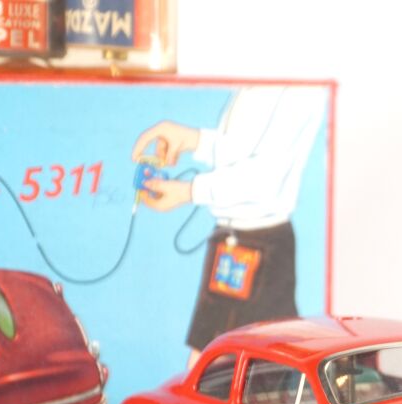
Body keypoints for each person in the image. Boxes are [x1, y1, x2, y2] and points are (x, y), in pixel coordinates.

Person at [132, 85, 327, 367]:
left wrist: (189, 191)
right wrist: (192, 140)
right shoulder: (262, 76)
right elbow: (243, 150)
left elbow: (267, 175)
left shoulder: (299, 85)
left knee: (258, 367)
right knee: (208, 364)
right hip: (234, 242)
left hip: (262, 246)